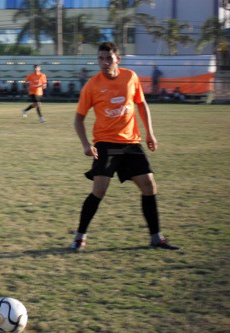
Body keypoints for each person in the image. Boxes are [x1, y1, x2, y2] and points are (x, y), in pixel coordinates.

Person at [70, 42, 179, 252]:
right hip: (106, 144)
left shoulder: (130, 77)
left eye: (108, 58)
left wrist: (150, 133)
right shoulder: (92, 85)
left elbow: (141, 104)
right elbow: (78, 119)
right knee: (99, 190)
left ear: (117, 59)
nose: (104, 63)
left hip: (131, 143)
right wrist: (85, 144)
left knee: (149, 186)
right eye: (101, 58)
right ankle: (79, 237)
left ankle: (156, 237)